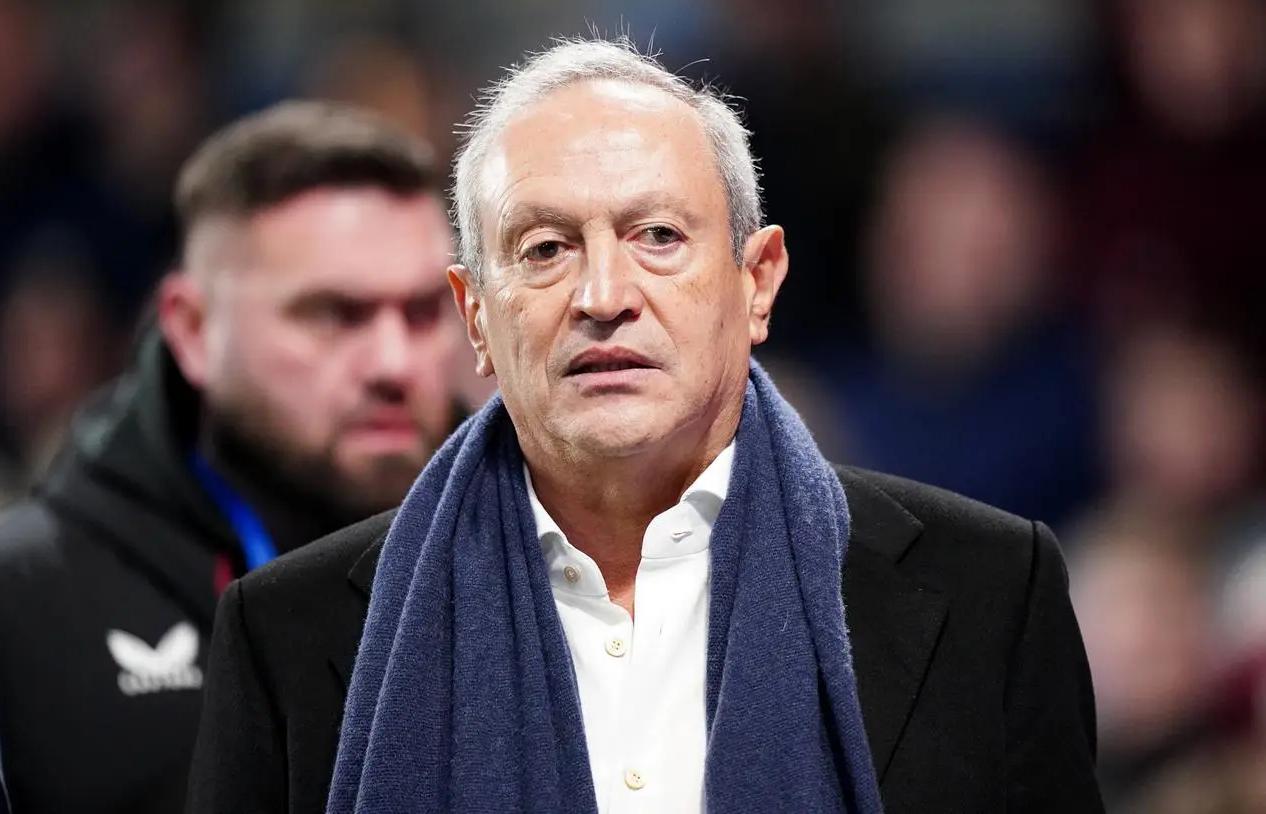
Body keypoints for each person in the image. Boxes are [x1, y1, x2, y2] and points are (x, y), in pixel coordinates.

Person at [187, 39, 1104, 814]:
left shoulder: (992, 590)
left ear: (759, 282)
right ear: (473, 316)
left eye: (658, 236)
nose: (602, 297)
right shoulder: (287, 639)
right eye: (545, 249)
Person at [0, 100, 464, 814]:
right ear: (192, 328)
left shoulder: (537, 563)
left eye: (425, 312)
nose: (394, 362)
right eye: (335, 314)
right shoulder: (13, 605)